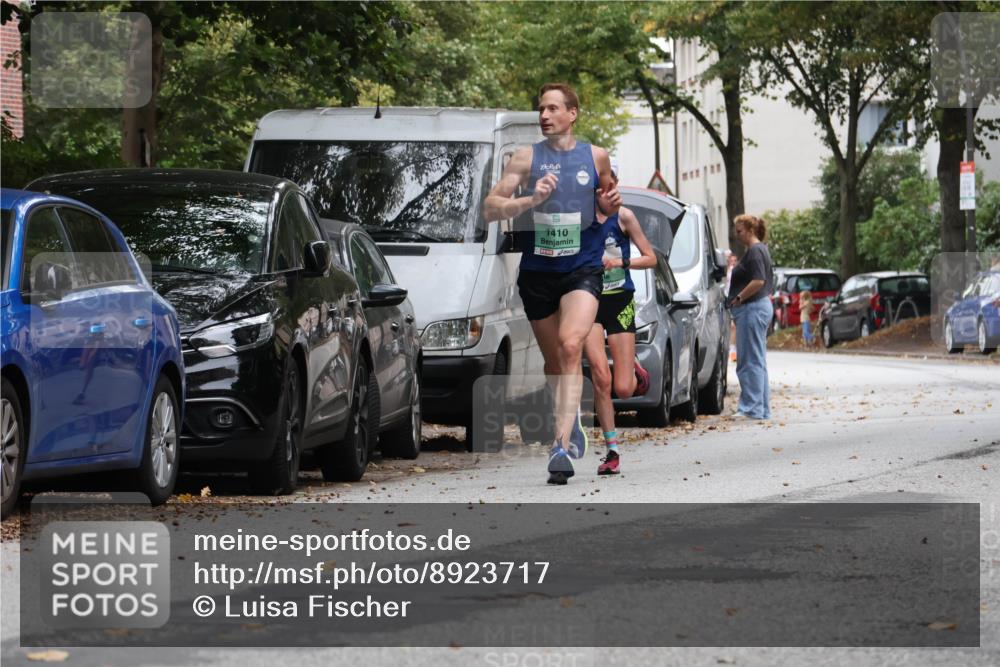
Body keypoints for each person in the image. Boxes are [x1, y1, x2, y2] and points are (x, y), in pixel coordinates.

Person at [483, 82, 621, 485]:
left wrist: (605, 209)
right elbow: (491, 208)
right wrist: (529, 201)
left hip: (583, 268)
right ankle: (571, 419)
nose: (544, 115)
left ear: (572, 113)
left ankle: (559, 445)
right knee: (554, 363)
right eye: (541, 108)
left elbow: (611, 200)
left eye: (553, 108)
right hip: (539, 274)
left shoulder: (596, 156)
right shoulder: (525, 159)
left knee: (570, 345)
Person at [583, 161, 656, 476]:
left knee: (624, 389)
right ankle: (612, 451)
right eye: (598, 185)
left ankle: (634, 367)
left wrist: (620, 262)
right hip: (588, 302)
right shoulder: (582, 218)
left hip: (620, 301)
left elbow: (651, 257)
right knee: (601, 377)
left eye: (607, 183)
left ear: (615, 183)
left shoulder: (624, 217)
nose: (603, 189)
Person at [727, 214, 774, 420]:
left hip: (752, 308)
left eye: (739, 231)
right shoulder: (761, 249)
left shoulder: (754, 251)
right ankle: (762, 408)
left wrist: (739, 297)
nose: (737, 235)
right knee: (758, 360)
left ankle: (751, 408)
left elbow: (758, 280)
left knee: (749, 361)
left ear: (750, 230)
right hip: (758, 307)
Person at [725, 251, 738, 362]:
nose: (732, 262)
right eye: (731, 259)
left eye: (734, 260)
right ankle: (727, 348)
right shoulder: (724, 271)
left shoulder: (735, 271)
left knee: (733, 325)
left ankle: (733, 350)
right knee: (727, 325)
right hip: (724, 298)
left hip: (733, 299)